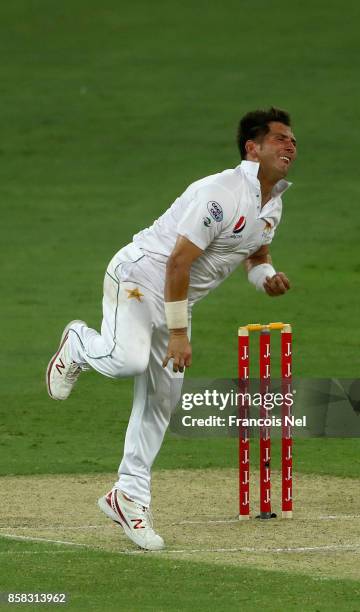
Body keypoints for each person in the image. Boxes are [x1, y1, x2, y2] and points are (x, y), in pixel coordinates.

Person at [46, 107, 297, 550]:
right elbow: (179, 261)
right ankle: (80, 344)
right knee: (126, 361)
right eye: (279, 138)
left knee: (162, 400)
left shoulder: (273, 198)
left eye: (292, 140)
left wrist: (265, 277)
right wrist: (180, 334)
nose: (290, 145)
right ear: (252, 148)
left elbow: (256, 252)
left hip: (176, 298)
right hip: (140, 277)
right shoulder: (220, 193)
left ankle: (128, 497)